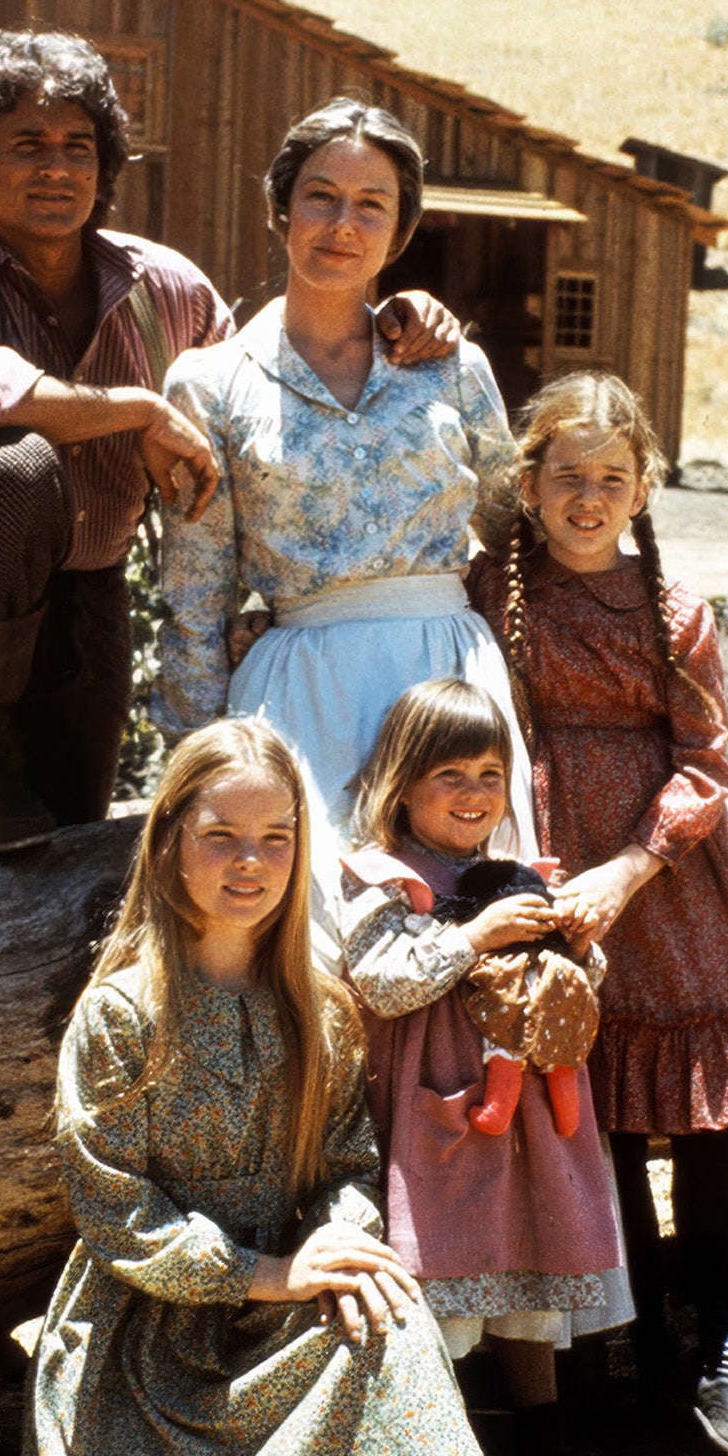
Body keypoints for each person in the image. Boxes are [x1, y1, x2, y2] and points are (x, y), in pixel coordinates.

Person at [0, 37, 461, 854]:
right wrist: (136, 411)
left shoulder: (163, 288)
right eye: (27, 146)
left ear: (105, 169)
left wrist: (392, 312)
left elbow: (255, 389)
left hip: (90, 604)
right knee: (13, 466)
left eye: (79, 147)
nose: (56, 168)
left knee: (65, 848)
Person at [466, 370, 728, 1456]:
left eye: (609, 479)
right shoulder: (487, 592)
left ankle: (724, 1347)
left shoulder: (672, 611)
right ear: (525, 483)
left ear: (642, 488)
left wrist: (632, 865)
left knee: (698, 1125)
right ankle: (625, 1348)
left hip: (666, 877)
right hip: (548, 859)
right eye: (565, 475)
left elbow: (705, 761)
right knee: (598, 1114)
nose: (586, 497)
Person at [16, 718, 490, 1456]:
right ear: (170, 842)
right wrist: (263, 1277)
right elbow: (117, 1214)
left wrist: (334, 1238)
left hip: (286, 1295)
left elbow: (348, 1160)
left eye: (276, 838)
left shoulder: (320, 1009)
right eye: (221, 836)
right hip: (150, 1335)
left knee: (394, 1324)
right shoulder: (122, 1015)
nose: (251, 861)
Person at [156, 98, 527, 878]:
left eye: (371, 205)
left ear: (401, 230)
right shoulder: (212, 384)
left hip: (450, 688)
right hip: (301, 692)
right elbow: (195, 598)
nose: (341, 225)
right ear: (280, 207)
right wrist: (198, 771)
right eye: (320, 196)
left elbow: (518, 537)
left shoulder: (454, 369)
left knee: (470, 929)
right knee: (315, 933)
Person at [334, 679, 631, 1456]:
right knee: (452, 1271)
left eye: (489, 776)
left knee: (527, 1261)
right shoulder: (382, 882)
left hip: (529, 1108)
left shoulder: (514, 873)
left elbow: (574, 985)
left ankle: (544, 1445)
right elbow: (381, 985)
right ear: (400, 784)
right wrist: (471, 937)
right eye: (450, 777)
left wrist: (573, 945)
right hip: (441, 1108)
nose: (474, 796)